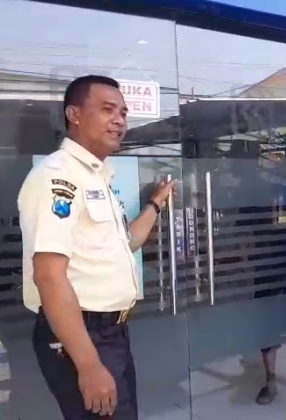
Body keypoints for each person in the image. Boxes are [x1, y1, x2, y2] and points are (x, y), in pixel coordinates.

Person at [18, 75, 176, 419]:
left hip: (111, 332)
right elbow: (49, 276)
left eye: (123, 113)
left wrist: (155, 204)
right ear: (74, 114)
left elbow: (127, 243)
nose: (119, 120)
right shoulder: (58, 177)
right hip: (83, 336)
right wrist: (88, 364)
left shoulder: (96, 177)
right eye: (107, 109)